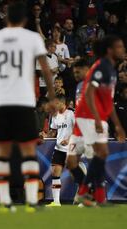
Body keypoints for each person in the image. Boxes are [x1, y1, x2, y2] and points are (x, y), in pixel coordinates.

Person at [0, 2, 55, 213]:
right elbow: (46, 70)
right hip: (23, 101)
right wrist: (52, 96)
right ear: (24, 20)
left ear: (6, 18)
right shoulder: (32, 38)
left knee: (2, 152)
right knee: (28, 151)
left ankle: (4, 202)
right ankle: (31, 202)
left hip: (1, 101)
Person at [75, 35, 126, 206]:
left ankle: (98, 197)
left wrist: (118, 126)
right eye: (119, 47)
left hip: (98, 116)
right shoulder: (101, 66)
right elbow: (89, 93)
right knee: (101, 153)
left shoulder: (112, 70)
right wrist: (97, 119)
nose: (123, 50)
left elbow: (108, 102)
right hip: (88, 115)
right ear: (110, 50)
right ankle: (85, 193)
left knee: (101, 156)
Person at [65, 58, 92, 204]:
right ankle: (85, 191)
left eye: (77, 71)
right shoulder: (80, 85)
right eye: (74, 72)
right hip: (79, 129)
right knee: (70, 162)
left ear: (86, 69)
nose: (75, 74)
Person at [45, 95, 74, 207]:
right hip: (59, 148)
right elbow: (53, 131)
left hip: (72, 148)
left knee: (75, 174)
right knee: (55, 172)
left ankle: (86, 197)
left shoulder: (71, 113)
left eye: (57, 104)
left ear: (63, 103)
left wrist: (69, 139)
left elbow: (79, 129)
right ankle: (56, 202)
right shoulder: (55, 116)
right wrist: (46, 136)